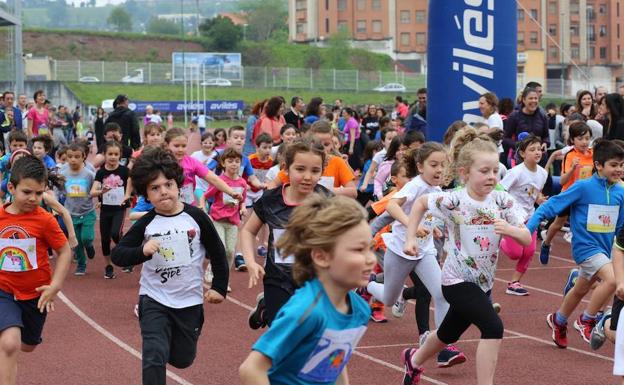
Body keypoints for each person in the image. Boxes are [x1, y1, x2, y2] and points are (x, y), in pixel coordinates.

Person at [401, 128, 530, 385]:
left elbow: (526, 240)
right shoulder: (453, 201)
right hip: (455, 280)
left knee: (448, 333)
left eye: (495, 170)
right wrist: (410, 237)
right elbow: (420, 204)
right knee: (493, 328)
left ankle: (413, 361)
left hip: (483, 283)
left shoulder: (503, 201)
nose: (491, 176)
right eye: (484, 171)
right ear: (464, 172)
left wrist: (510, 230)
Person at [111, 147, 228, 385]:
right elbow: (119, 255)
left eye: (168, 185)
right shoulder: (147, 223)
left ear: (178, 186)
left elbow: (218, 252)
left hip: (189, 301)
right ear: (146, 194)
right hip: (154, 298)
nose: (163, 192)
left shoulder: (196, 217)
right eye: (155, 188)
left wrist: (219, 287)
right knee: (154, 354)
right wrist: (142, 252)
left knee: (183, 359)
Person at [239, 195, 373, 385]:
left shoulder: (360, 310)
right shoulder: (306, 311)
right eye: (359, 250)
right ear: (321, 256)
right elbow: (251, 369)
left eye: (371, 248)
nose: (371, 259)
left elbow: (334, 363)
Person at [366, 142, 467, 368]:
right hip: (400, 250)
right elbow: (391, 206)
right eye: (434, 165)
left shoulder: (438, 191)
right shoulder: (415, 186)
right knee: (390, 299)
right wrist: (410, 224)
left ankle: (444, 347)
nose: (439, 170)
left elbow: (430, 216)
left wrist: (435, 228)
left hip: (424, 252)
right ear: (420, 166)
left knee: (441, 294)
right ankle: (368, 285)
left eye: (443, 165)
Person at [527, 139, 624, 348]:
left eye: (622, 165)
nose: (619, 169)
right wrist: (529, 228)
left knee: (580, 290)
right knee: (614, 280)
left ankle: (559, 320)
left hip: (606, 250)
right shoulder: (583, 187)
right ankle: (587, 319)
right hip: (586, 249)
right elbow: (552, 205)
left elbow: (621, 227)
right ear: (599, 165)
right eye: (614, 165)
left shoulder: (620, 192)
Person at [242, 139, 330, 329]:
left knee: (308, 331)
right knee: (282, 333)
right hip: (278, 279)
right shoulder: (271, 200)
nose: (307, 177)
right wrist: (250, 261)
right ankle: (269, 307)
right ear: (285, 168)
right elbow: (248, 231)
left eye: (315, 171)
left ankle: (265, 308)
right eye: (300, 169)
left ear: (322, 172)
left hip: (315, 279)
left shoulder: (327, 201)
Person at [0, 155, 71, 385]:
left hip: (35, 294)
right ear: (11, 187)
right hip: (4, 290)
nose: (33, 198)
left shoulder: (44, 221)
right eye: (27, 192)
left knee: (27, 346)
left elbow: (64, 252)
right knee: (10, 343)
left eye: (39, 194)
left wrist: (55, 286)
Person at [499, 135, 548, 295]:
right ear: (522, 154)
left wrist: (540, 199)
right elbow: (500, 190)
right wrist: (504, 211)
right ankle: (500, 241)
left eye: (539, 149)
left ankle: (514, 283)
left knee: (528, 251)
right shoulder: (516, 172)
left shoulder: (543, 173)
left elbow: (535, 192)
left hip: (530, 216)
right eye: (532, 149)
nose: (537, 152)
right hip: (513, 216)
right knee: (515, 253)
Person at [539, 122, 593, 264]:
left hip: (586, 197)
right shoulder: (569, 155)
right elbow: (562, 181)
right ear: (572, 140)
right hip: (569, 195)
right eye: (580, 139)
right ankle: (546, 243)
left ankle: (585, 257)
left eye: (587, 138)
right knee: (557, 224)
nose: (584, 142)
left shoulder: (593, 154)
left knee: (585, 225)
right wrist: (572, 169)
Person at [164, 127, 242, 206]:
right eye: (176, 146)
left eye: (184, 146)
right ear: (167, 145)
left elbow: (214, 179)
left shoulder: (192, 162)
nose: (180, 149)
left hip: (187, 206)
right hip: (168, 206)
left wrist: (231, 192)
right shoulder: (161, 163)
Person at [202, 148, 247, 278]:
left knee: (230, 251)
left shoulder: (242, 182)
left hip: (232, 222)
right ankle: (213, 269)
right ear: (223, 163)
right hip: (218, 220)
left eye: (237, 161)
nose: (234, 164)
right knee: (221, 248)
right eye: (230, 161)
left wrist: (243, 208)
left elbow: (242, 200)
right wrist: (203, 207)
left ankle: (224, 277)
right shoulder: (219, 181)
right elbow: (206, 196)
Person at [90, 141, 131, 279]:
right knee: (105, 240)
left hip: (119, 208)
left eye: (116, 154)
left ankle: (126, 252)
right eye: (110, 154)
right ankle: (108, 266)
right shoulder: (101, 172)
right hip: (105, 210)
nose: (113, 157)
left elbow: (131, 185)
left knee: (115, 233)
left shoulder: (124, 171)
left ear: (120, 155)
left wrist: (127, 195)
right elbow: (92, 192)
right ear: (104, 155)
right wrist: (102, 190)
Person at [59, 142, 96, 276]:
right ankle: (81, 264)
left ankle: (90, 245)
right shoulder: (63, 173)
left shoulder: (89, 174)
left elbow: (95, 189)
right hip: (71, 213)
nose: (73, 159)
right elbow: (59, 189)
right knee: (76, 242)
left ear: (83, 157)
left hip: (87, 212)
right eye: (70, 156)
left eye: (76, 156)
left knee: (86, 238)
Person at [503, 87, 549, 160]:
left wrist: (545, 143)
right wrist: (519, 146)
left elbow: (546, 137)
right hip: (520, 158)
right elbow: (505, 139)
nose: (533, 101)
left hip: (539, 158)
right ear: (524, 100)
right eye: (530, 98)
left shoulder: (542, 116)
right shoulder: (514, 116)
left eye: (535, 98)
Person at [191, 132, 217, 204]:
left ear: (214, 144)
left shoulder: (216, 156)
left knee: (211, 208)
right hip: (198, 187)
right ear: (201, 143)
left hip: (212, 187)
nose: (208, 145)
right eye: (205, 143)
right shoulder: (195, 155)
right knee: (204, 206)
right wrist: (200, 166)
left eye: (210, 143)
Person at [342, 107, 364, 172]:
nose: (342, 114)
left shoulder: (351, 122)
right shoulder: (349, 121)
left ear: (348, 114)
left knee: (353, 160)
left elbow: (353, 136)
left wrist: (351, 148)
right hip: (350, 142)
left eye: (344, 113)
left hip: (354, 143)